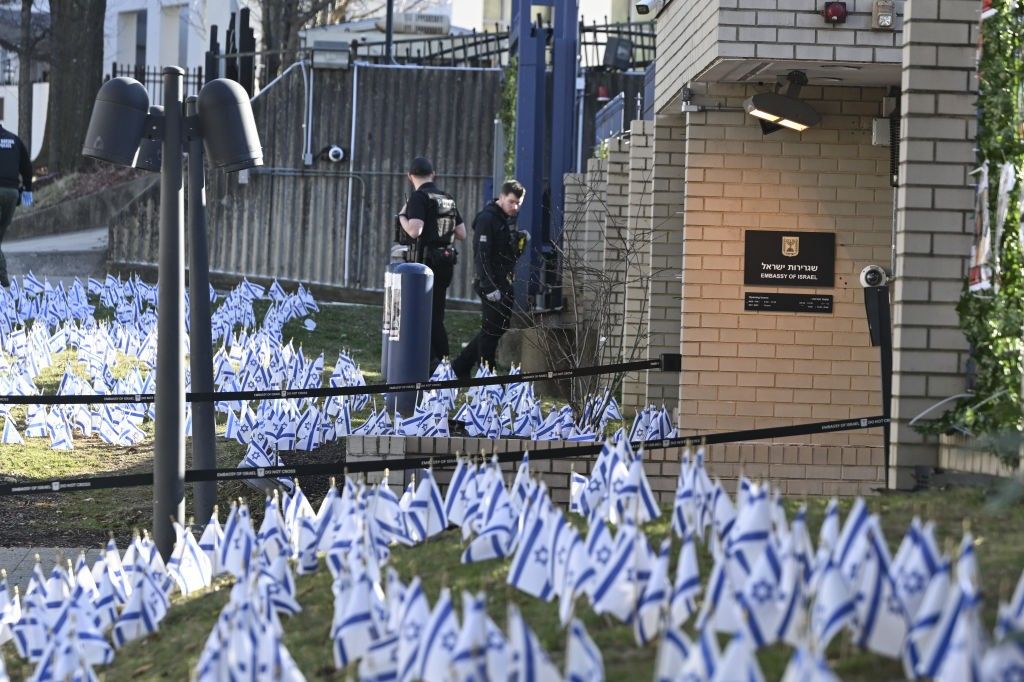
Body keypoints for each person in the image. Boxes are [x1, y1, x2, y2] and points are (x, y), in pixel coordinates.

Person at [452, 180, 527, 381]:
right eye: (512, 202)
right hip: (491, 283)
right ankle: (487, 375)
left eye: (519, 203)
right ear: (501, 197)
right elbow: (482, 256)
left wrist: (519, 246)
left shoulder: (504, 219)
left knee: (498, 328)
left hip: (504, 282)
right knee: (490, 330)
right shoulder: (488, 219)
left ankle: (461, 365)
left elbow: (504, 255)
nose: (515, 207)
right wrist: (489, 286)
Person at [396, 156, 466, 367]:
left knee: (422, 314)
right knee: (437, 313)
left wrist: (401, 217)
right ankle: (441, 360)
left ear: (410, 177)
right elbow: (461, 233)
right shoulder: (447, 197)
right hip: (446, 261)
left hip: (426, 264)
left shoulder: (418, 197)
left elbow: (415, 230)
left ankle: (433, 362)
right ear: (433, 174)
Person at [0, 124, 32, 287]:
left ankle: (2, 276)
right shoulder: (14, 140)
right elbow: (26, 166)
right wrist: (28, 188)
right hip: (12, 194)